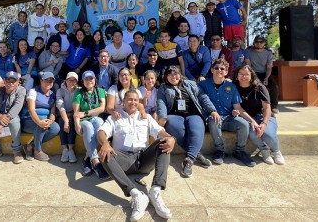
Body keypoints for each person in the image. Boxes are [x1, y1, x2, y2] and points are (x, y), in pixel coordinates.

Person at [98, 90, 176, 221]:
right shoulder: (114, 118)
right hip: (124, 160)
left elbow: (160, 132)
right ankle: (136, 194)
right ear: (123, 101)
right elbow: (101, 132)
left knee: (164, 142)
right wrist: (105, 143)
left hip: (143, 159)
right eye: (129, 99)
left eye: (136, 100)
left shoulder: (146, 117)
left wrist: (171, 138)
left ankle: (155, 190)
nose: (133, 102)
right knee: (105, 155)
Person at [157, 66, 215, 177]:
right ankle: (194, 155)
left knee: (196, 129)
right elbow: (161, 102)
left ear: (180, 74)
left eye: (176, 74)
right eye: (170, 74)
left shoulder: (190, 84)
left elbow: (203, 97)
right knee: (176, 130)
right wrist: (163, 116)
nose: (174, 77)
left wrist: (212, 110)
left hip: (193, 113)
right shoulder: (163, 88)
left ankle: (189, 159)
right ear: (166, 76)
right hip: (174, 114)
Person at [199, 59, 257, 167]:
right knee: (214, 120)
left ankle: (240, 151)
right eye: (216, 68)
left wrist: (252, 121)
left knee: (244, 124)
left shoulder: (232, 87)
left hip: (229, 117)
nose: (219, 70)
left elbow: (238, 107)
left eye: (222, 69)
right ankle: (220, 151)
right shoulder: (202, 85)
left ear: (226, 72)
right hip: (212, 118)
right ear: (212, 70)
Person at [233, 65, 285, 165]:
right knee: (253, 133)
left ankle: (276, 151)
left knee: (267, 134)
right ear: (236, 76)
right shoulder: (234, 87)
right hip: (248, 118)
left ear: (251, 76)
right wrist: (252, 121)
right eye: (241, 74)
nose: (244, 76)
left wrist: (264, 123)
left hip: (263, 116)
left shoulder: (259, 87)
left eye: (247, 74)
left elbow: (267, 108)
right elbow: (238, 107)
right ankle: (264, 150)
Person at [0, 71, 26, 165]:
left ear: (17, 82)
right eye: (8, 81)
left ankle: (16, 150)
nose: (10, 83)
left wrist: (1, 124)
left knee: (14, 121)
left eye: (13, 81)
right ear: (4, 81)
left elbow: (16, 109)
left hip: (12, 116)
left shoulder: (21, 90)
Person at [73, 71, 109, 179]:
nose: (89, 81)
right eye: (86, 79)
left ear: (95, 80)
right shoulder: (78, 93)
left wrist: (86, 112)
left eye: (91, 78)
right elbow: (76, 112)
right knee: (88, 126)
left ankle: (87, 158)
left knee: (99, 123)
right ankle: (95, 161)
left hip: (95, 117)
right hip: (84, 120)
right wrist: (77, 125)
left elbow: (102, 108)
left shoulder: (100, 91)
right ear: (83, 81)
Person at [21, 72, 60, 161]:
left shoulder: (52, 94)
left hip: (44, 121)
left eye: (51, 81)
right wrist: (39, 122)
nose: (49, 83)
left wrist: (51, 120)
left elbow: (53, 111)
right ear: (41, 81)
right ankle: (37, 151)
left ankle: (30, 146)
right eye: (46, 80)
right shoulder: (33, 91)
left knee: (56, 128)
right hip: (29, 120)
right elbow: (31, 110)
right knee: (42, 122)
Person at [246, 35, 279, 114]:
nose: (259, 43)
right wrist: (252, 75)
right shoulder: (249, 51)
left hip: (265, 73)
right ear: (254, 42)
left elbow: (269, 67)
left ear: (264, 43)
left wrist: (267, 78)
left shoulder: (268, 53)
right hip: (253, 73)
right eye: (257, 42)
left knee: (274, 86)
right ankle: (258, 106)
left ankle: (274, 106)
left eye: (261, 42)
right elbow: (248, 64)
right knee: (257, 87)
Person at [56, 72, 79, 163]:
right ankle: (65, 149)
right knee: (62, 123)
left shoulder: (79, 90)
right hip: (63, 113)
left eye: (74, 80)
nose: (71, 82)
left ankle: (70, 149)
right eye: (69, 80)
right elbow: (60, 106)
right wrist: (66, 121)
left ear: (77, 82)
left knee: (72, 123)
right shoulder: (60, 91)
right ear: (66, 80)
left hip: (74, 114)